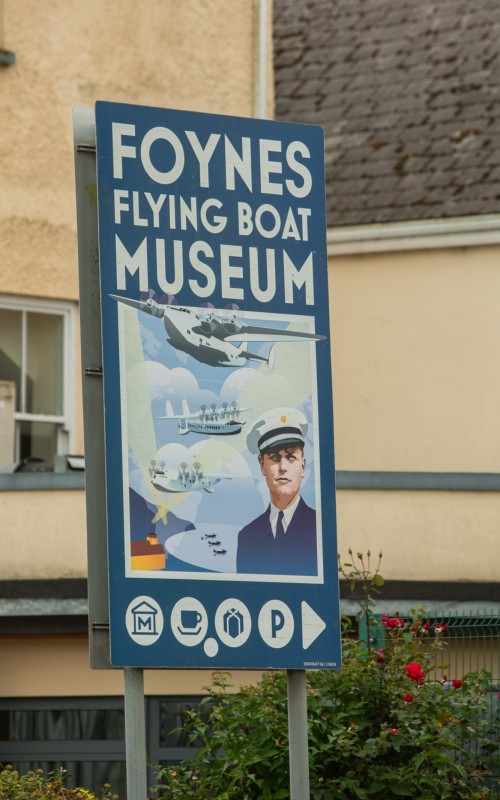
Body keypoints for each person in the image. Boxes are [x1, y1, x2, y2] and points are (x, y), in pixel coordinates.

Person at [236, 407, 317, 576]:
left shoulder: (318, 528)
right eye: (274, 458)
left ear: (303, 465)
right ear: (262, 465)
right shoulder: (248, 536)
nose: (282, 467)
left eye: (291, 457)